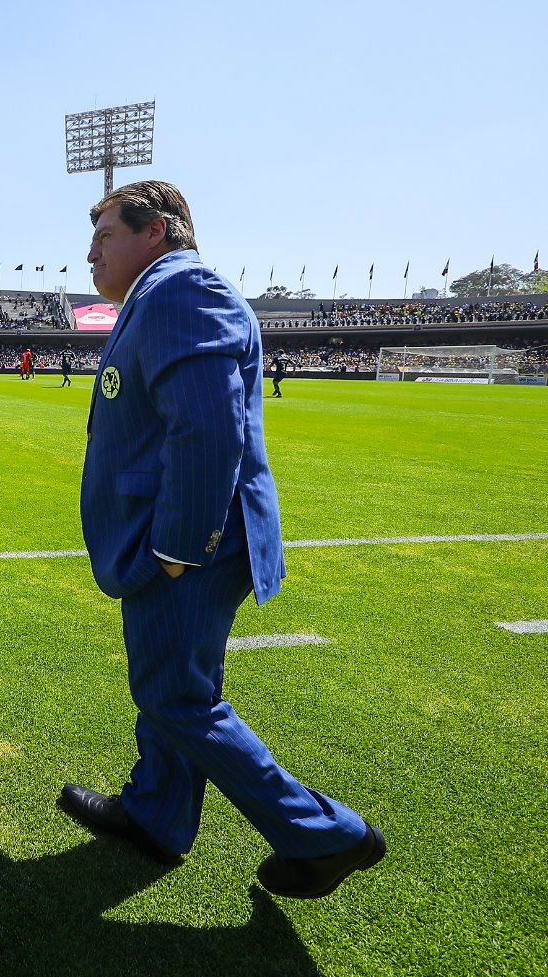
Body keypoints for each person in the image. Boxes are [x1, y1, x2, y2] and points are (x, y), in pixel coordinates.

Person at [58, 179, 382, 899]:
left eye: (105, 236)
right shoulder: (160, 293)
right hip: (179, 536)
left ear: (157, 229)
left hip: (189, 542)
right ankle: (157, 814)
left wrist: (178, 548)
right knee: (173, 683)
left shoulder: (182, 289)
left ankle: (326, 835)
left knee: (176, 696)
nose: (91, 254)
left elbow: (207, 428)